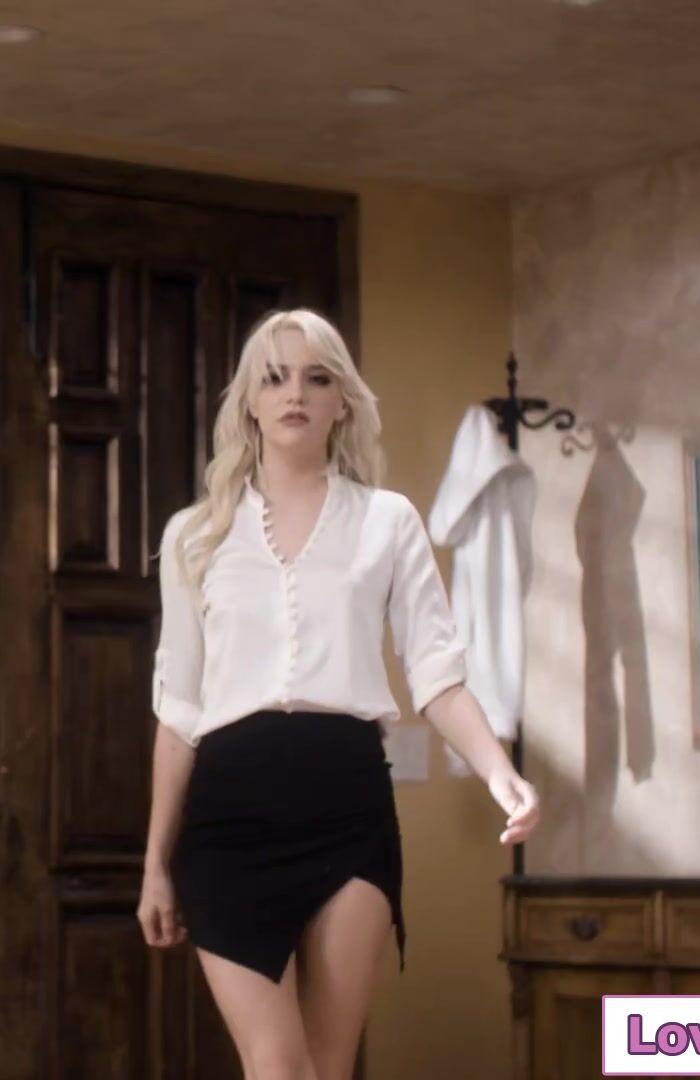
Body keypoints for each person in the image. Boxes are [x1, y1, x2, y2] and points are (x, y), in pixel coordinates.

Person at [138, 309, 541, 1080]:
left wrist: (501, 773)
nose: (295, 393)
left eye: (317, 377)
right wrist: (156, 864)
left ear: (342, 402)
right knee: (278, 1069)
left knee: (326, 1068)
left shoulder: (388, 521)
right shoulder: (194, 535)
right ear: (249, 402)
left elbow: (438, 673)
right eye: (275, 377)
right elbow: (179, 711)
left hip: (347, 808)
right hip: (228, 820)